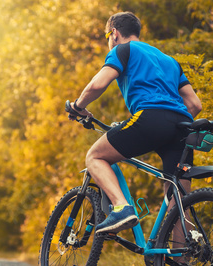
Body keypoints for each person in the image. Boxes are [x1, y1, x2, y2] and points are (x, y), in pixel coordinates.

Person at [69, 12, 202, 236]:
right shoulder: (169, 60)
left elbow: (96, 85)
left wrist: (77, 106)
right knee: (178, 205)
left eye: (107, 37)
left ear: (114, 33)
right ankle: (181, 264)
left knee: (95, 156)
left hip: (150, 118)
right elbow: (195, 105)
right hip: (183, 126)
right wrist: (170, 122)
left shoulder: (123, 50)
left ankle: (122, 208)